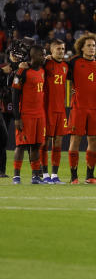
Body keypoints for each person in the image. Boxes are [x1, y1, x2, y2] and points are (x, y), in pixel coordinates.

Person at [68, 33, 96, 184]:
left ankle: (90, 176)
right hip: (79, 108)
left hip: (94, 108)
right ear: (81, 47)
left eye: (94, 46)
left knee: (94, 140)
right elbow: (61, 72)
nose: (92, 48)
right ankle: (73, 177)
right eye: (89, 45)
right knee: (75, 139)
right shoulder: (74, 62)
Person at [10, 46, 46, 184]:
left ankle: (35, 176)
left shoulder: (43, 70)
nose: (44, 57)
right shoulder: (22, 71)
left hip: (39, 114)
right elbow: (15, 95)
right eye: (42, 55)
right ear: (34, 56)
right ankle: (16, 176)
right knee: (21, 145)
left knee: (36, 145)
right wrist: (17, 117)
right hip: (26, 115)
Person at [43, 38, 70, 183]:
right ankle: (44, 174)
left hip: (61, 110)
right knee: (45, 142)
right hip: (47, 109)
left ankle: (54, 175)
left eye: (63, 49)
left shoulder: (66, 66)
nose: (61, 52)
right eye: (58, 49)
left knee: (58, 142)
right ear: (51, 50)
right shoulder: (45, 63)